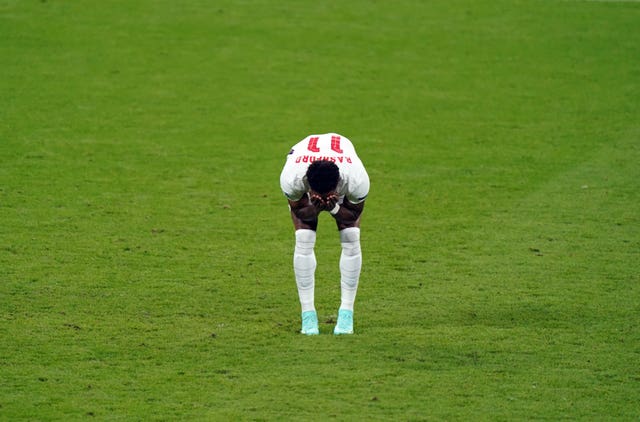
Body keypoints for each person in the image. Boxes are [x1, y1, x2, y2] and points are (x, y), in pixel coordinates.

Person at [279, 133, 370, 335]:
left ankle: (347, 314)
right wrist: (316, 208)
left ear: (338, 185)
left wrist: (334, 209)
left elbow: (352, 214)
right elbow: (299, 211)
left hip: (342, 157)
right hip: (303, 156)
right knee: (304, 239)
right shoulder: (292, 177)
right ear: (308, 186)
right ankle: (308, 316)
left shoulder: (356, 178)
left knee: (351, 238)